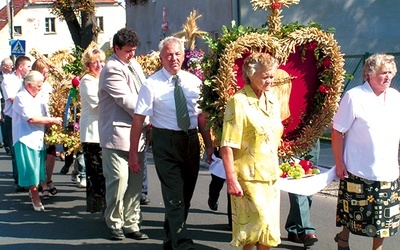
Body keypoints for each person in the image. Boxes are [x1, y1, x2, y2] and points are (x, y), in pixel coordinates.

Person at [128, 36, 213, 250]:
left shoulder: (194, 82)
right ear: (161, 57)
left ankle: (170, 238)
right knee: (174, 194)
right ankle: (182, 243)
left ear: (184, 56)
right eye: (168, 55)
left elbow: (201, 117)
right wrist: (133, 153)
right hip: (165, 141)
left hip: (190, 141)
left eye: (177, 54)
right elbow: (138, 119)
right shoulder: (151, 84)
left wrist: (209, 144)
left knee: (185, 194)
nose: (173, 59)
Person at [332, 53, 400, 250]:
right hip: (358, 168)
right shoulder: (354, 96)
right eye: (382, 73)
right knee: (352, 211)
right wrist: (339, 162)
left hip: (387, 169)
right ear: (369, 74)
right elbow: (337, 130)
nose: (387, 77)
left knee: (383, 219)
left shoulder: (396, 97)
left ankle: (376, 248)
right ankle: (343, 238)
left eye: (390, 72)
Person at [220, 52, 283, 250]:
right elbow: (227, 144)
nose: (270, 80)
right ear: (250, 74)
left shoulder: (272, 101)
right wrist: (231, 179)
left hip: (270, 176)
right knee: (252, 231)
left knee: (268, 231)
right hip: (247, 178)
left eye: (272, 76)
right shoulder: (238, 102)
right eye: (265, 76)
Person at [98, 27, 148, 241]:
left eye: (134, 50)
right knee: (118, 181)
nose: (132, 54)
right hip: (117, 136)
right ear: (116, 48)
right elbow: (128, 101)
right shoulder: (111, 68)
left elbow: (145, 91)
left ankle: (131, 222)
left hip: (138, 135)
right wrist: (152, 116)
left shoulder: (133, 64)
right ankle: (114, 222)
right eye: (128, 51)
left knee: (135, 184)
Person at [12, 70, 63, 211]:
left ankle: (34, 192)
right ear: (29, 85)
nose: (40, 88)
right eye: (38, 86)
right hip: (25, 139)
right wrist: (52, 120)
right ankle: (35, 198)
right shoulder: (20, 97)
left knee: (38, 170)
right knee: (31, 171)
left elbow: (44, 113)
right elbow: (32, 118)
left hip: (38, 138)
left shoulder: (38, 96)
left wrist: (50, 123)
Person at [79, 47, 106, 212]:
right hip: (92, 132)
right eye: (95, 62)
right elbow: (98, 104)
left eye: (101, 61)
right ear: (88, 64)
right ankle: (97, 204)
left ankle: (105, 204)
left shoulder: (102, 78)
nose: (99, 65)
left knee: (104, 171)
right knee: (95, 171)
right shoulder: (87, 81)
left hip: (103, 130)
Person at [2, 55, 31, 192]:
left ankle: (28, 178)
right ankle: (18, 180)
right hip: (12, 118)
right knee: (15, 150)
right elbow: (13, 99)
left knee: (26, 147)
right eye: (28, 67)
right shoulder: (8, 80)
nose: (30, 69)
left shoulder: (27, 80)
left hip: (25, 118)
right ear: (20, 67)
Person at [285, 140, 320, 248]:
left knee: (308, 186)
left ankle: (293, 228)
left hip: (313, 137)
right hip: (294, 137)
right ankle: (306, 231)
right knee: (297, 184)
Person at [31, 59, 58, 199]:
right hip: (38, 123)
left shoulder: (48, 85)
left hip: (49, 121)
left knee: (51, 155)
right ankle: (43, 184)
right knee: (41, 155)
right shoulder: (32, 85)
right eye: (44, 71)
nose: (46, 74)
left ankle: (49, 179)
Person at [0, 57, 14, 151]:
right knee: (3, 123)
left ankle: (8, 145)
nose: (12, 67)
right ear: (4, 66)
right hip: (2, 100)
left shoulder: (12, 76)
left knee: (6, 123)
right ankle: (6, 144)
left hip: (7, 101)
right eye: (10, 66)